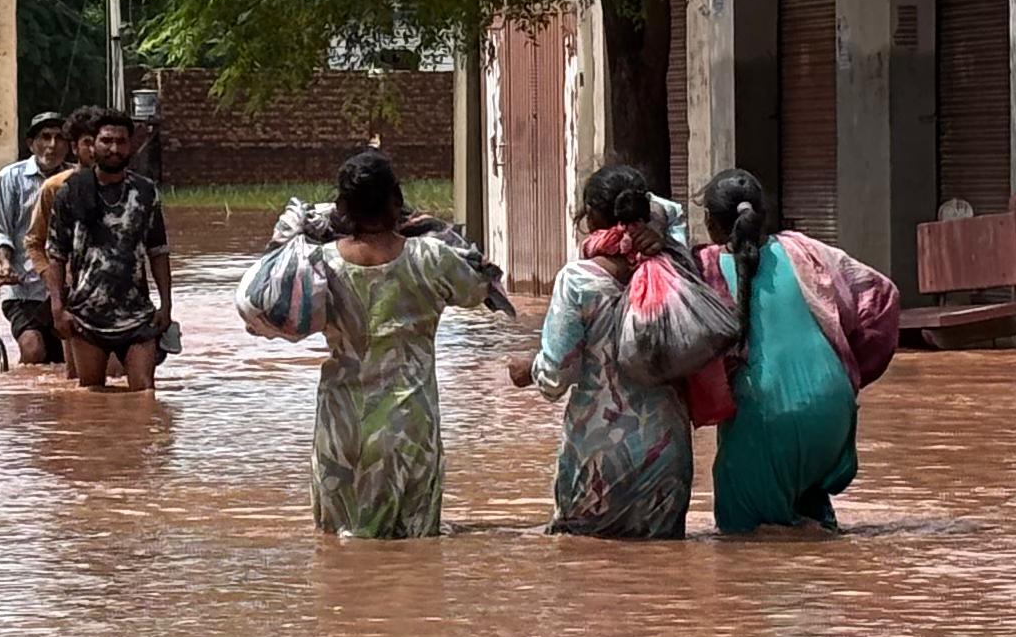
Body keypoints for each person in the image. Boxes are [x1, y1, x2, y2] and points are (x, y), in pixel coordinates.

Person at [244, 145, 496, 538]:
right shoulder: (431, 257)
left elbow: (283, 317)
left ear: (342, 208)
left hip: (342, 424)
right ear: (398, 201)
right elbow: (478, 288)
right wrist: (431, 226)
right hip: (410, 423)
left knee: (338, 544)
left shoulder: (319, 264)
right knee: (416, 545)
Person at [511, 161, 695, 538]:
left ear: (592, 216)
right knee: (666, 565)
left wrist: (529, 368)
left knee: (586, 566)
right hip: (666, 454)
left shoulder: (578, 280)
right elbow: (674, 212)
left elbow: (555, 377)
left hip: (599, 457)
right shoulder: (675, 266)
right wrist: (653, 227)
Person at [696, 168, 859, 535]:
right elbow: (881, 296)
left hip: (766, 416)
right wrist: (853, 365)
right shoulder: (806, 251)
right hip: (835, 411)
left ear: (710, 222)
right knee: (815, 527)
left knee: (744, 542)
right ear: (762, 214)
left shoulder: (702, 268)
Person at [36, 109, 175, 392]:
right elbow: (56, 255)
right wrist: (57, 309)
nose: (114, 149)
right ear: (93, 145)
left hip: (137, 314)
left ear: (130, 146)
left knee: (145, 392)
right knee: (91, 394)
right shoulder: (70, 192)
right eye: (106, 141)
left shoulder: (145, 192)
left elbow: (158, 251)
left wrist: (166, 304)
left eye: (121, 142)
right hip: (86, 316)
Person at [0, 111, 72, 365]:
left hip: (66, 286)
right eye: (45, 137)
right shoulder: (10, 177)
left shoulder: (76, 179)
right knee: (33, 349)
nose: (52, 145)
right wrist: (5, 264)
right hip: (23, 287)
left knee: (69, 359)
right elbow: (1, 230)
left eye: (59, 138)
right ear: (30, 144)